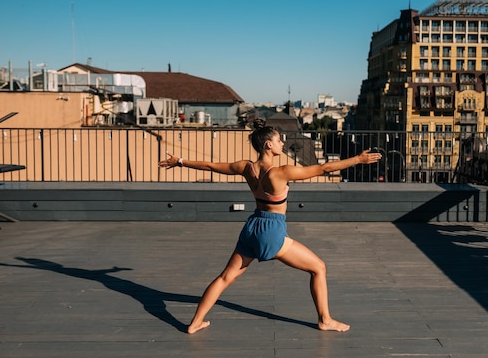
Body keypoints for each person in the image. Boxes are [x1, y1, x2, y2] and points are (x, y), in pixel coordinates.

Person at [158, 119, 382, 334]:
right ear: (268, 145)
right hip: (271, 231)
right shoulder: (280, 172)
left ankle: (195, 323)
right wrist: (357, 160)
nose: (282, 143)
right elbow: (323, 168)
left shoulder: (246, 167)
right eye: (279, 140)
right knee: (318, 268)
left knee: (225, 277)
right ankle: (325, 320)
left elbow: (210, 166)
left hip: (252, 227)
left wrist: (179, 161)